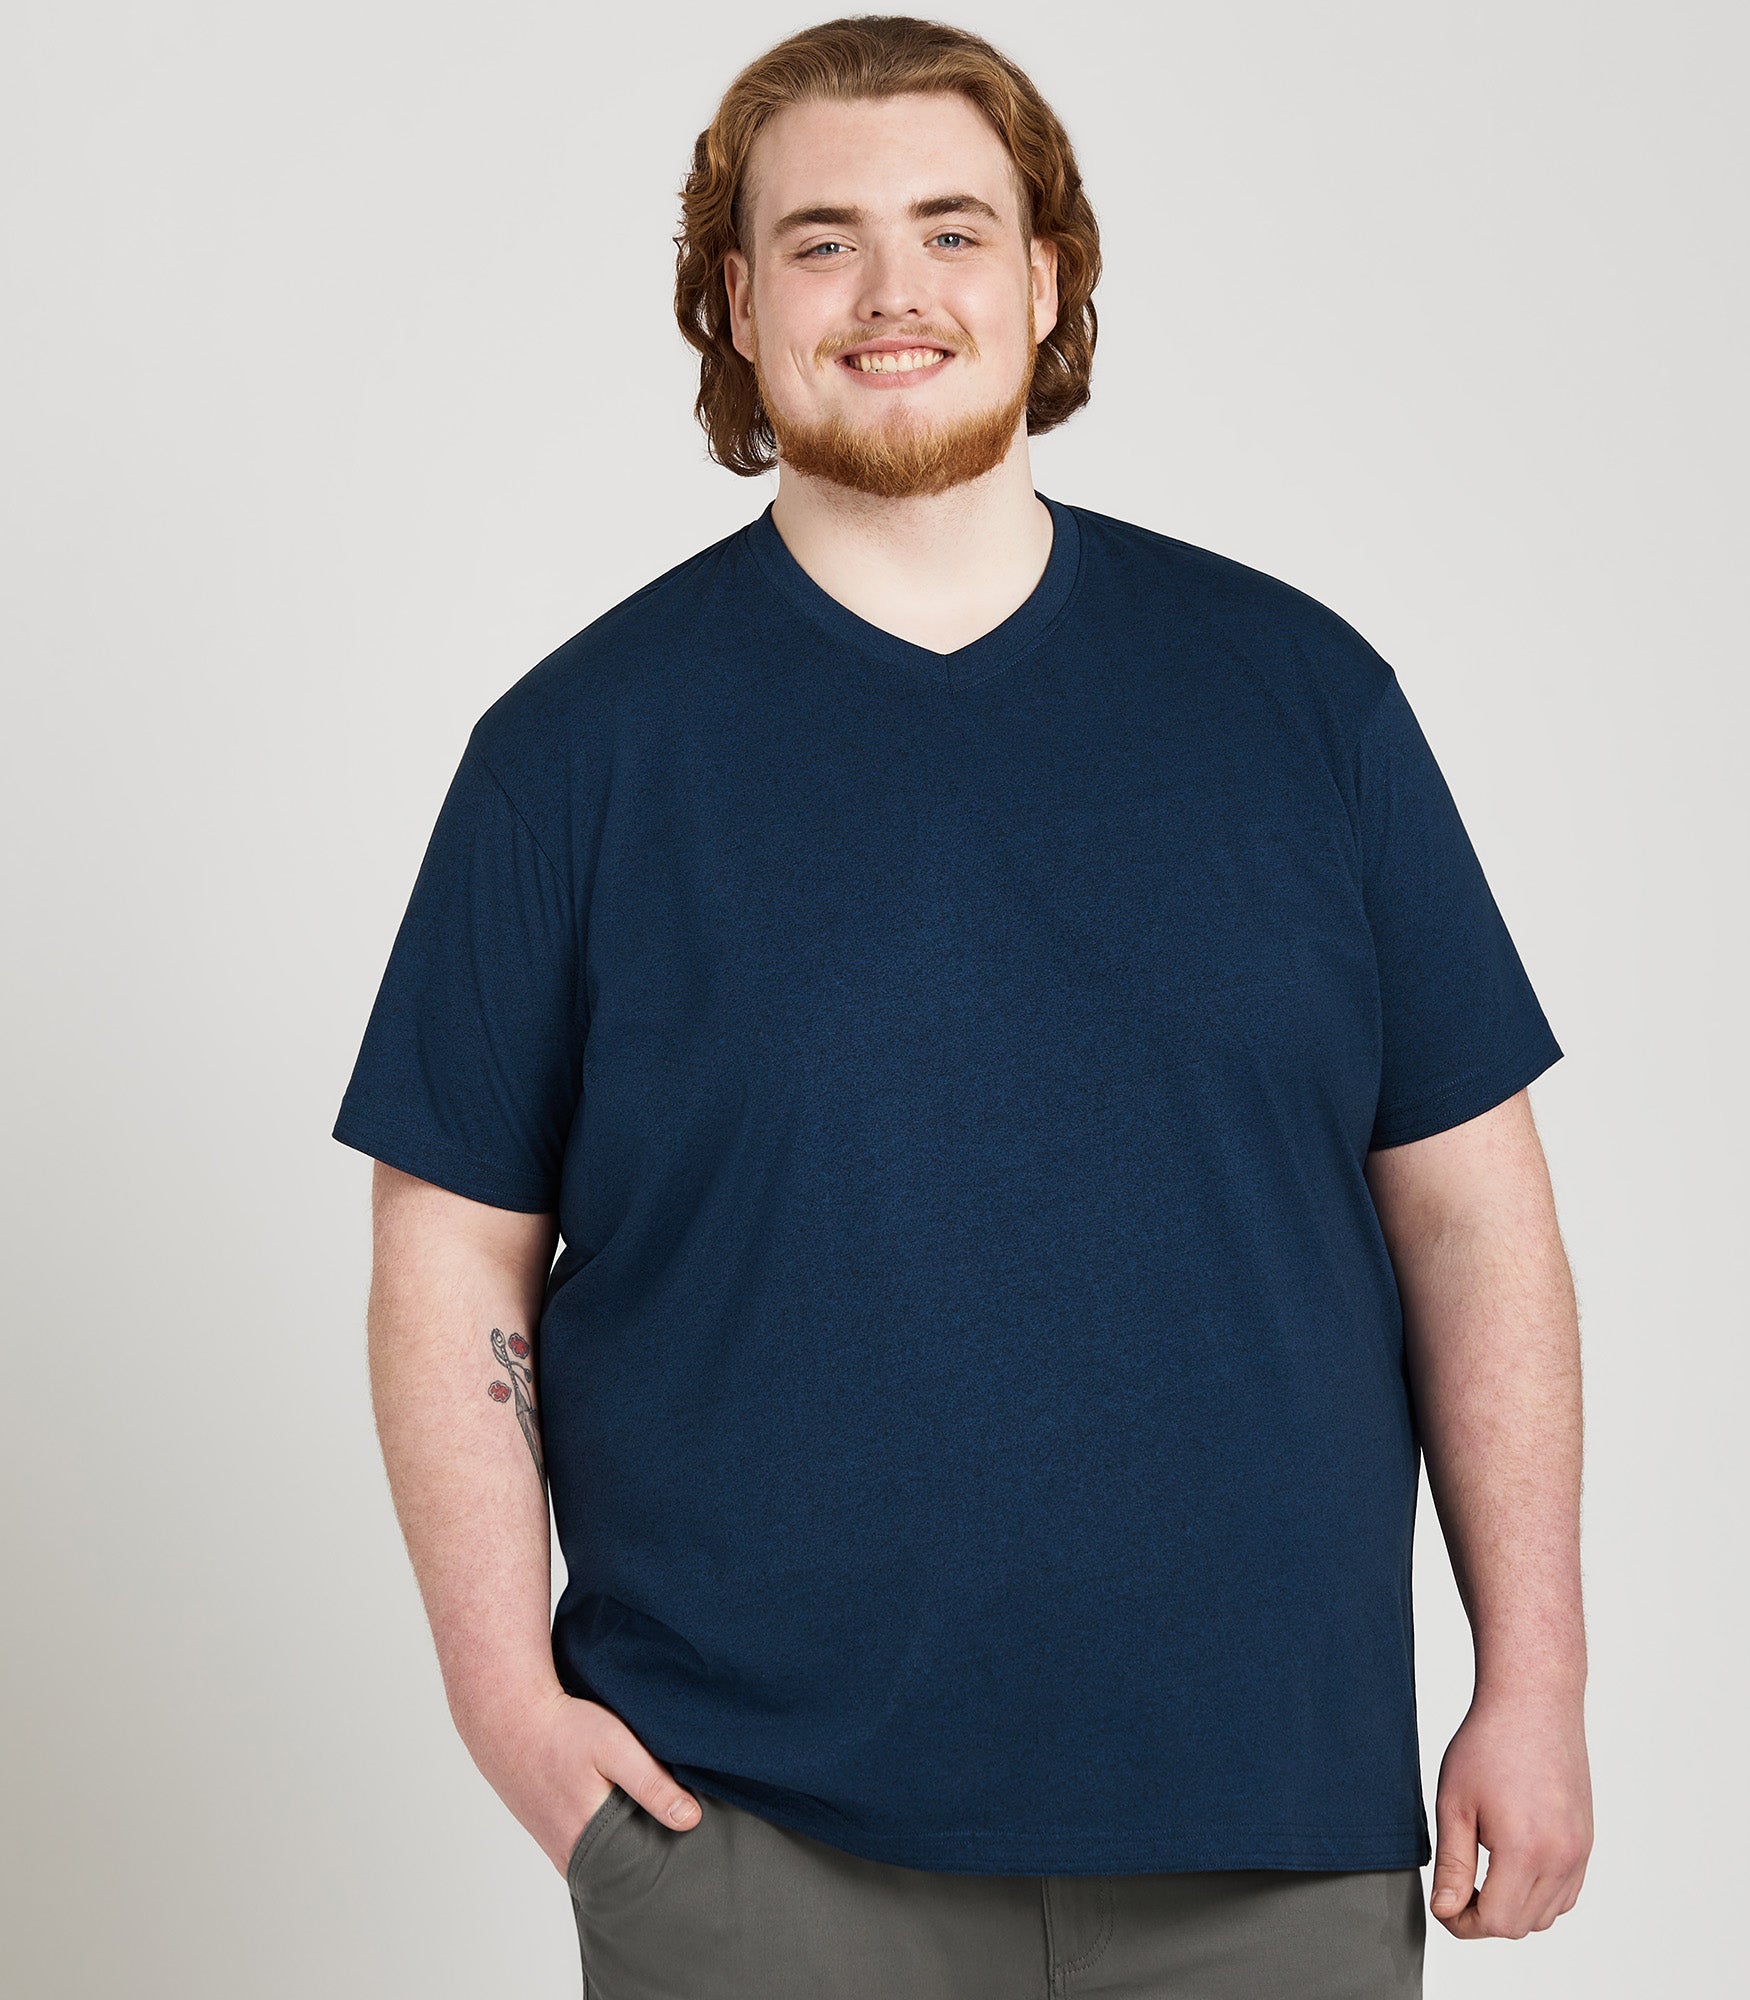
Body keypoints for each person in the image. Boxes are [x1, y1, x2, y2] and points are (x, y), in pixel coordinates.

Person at [331, 16, 1593, 1996]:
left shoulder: (1302, 702)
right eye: (821, 241)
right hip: (753, 1842)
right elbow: (448, 1254)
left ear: (1048, 278)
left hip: (1266, 1834)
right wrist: (509, 1706)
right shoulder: (575, 754)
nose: (892, 290)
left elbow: (1473, 1218)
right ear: (733, 303)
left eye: (952, 229)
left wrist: (1538, 1678)